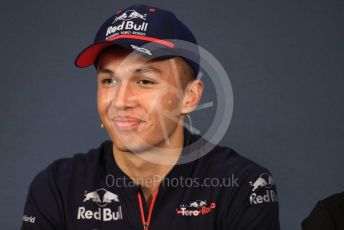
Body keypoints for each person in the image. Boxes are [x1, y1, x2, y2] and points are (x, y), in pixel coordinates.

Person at [21, 4, 280, 230]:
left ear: (189, 97)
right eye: (109, 80)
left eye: (144, 81)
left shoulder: (243, 186)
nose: (120, 101)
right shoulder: (57, 187)